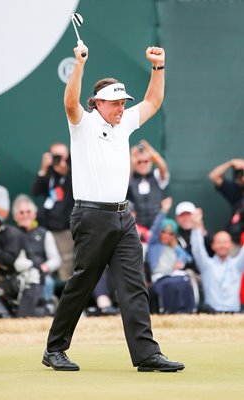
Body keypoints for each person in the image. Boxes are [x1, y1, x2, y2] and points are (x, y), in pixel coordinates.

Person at [42, 41, 185, 373]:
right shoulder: (83, 124)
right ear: (98, 104)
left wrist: (158, 66)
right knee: (82, 283)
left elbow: (153, 100)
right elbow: (69, 102)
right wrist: (79, 65)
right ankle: (54, 349)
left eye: (122, 103)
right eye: (114, 103)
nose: (121, 108)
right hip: (91, 216)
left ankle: (147, 354)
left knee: (134, 284)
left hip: (123, 217)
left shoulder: (126, 123)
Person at [0, 207, 40, 317]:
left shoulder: (11, 233)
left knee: (23, 319)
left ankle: (47, 308)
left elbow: (9, 260)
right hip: (7, 283)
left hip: (27, 282)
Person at [32, 143, 75, 281]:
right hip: (47, 227)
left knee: (66, 264)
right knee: (46, 263)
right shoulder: (49, 173)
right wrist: (43, 169)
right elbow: (36, 191)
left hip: (64, 228)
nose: (59, 159)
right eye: (56, 156)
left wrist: (66, 172)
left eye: (62, 156)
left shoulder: (73, 171)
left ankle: (66, 297)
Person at [145, 197, 196, 314]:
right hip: (159, 277)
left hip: (174, 274)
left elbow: (188, 258)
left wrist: (181, 261)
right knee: (172, 284)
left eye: (170, 233)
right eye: (163, 232)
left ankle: (188, 311)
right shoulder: (154, 245)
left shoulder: (175, 247)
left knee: (184, 282)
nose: (166, 236)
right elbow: (155, 228)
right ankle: (171, 311)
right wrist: (163, 211)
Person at [12, 194, 61, 309]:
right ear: (15, 217)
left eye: (28, 212)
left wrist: (44, 267)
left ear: (34, 214)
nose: (25, 215)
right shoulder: (11, 235)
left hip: (40, 274)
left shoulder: (45, 234)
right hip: (18, 276)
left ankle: (46, 308)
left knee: (48, 282)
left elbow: (56, 260)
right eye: (21, 212)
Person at [191, 208, 244, 313]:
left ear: (231, 245)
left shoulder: (237, 265)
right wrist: (196, 226)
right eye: (219, 242)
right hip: (212, 314)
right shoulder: (207, 265)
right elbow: (197, 248)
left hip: (234, 313)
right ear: (213, 246)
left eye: (225, 242)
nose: (222, 246)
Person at [127, 139, 169, 229]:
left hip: (157, 227)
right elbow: (126, 177)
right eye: (139, 162)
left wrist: (150, 150)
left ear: (151, 162)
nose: (142, 164)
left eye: (146, 161)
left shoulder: (157, 176)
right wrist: (132, 158)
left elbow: (163, 167)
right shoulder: (130, 178)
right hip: (137, 228)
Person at [209, 158, 244, 243]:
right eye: (241, 175)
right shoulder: (237, 192)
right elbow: (214, 176)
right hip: (236, 242)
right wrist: (230, 163)